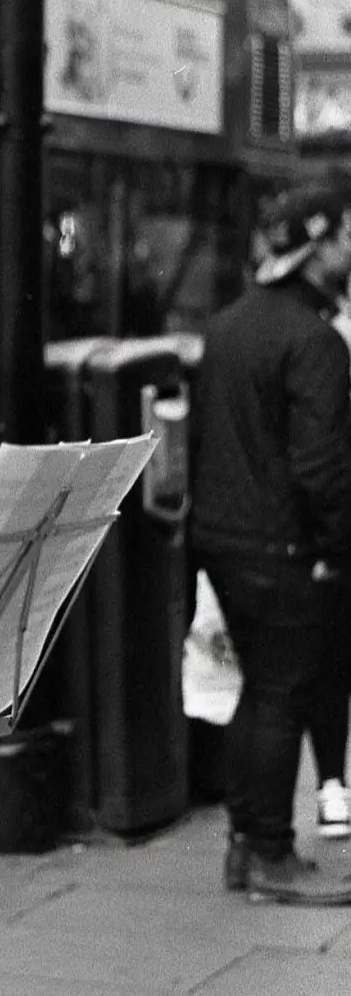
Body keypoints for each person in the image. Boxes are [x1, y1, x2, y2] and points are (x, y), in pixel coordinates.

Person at [192, 178, 351, 902]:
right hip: (284, 546)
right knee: (283, 693)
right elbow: (322, 466)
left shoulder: (226, 326)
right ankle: (271, 855)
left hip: (224, 540)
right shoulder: (315, 341)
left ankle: (244, 843)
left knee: (257, 692)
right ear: (318, 249)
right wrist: (335, 546)